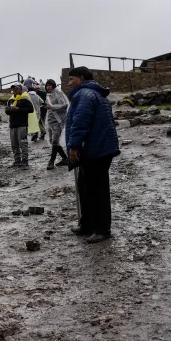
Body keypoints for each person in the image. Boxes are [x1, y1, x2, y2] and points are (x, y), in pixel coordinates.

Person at [66, 66, 120, 243]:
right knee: (85, 186)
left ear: (81, 78)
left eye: (72, 79)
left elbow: (80, 122)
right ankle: (87, 224)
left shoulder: (84, 95)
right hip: (98, 148)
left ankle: (102, 229)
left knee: (97, 190)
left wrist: (73, 147)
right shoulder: (97, 94)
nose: (69, 83)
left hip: (96, 150)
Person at [4, 84, 34, 168]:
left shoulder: (25, 99)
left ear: (21, 89)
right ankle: (17, 161)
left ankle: (25, 161)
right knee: (14, 144)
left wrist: (18, 109)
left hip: (22, 124)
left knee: (23, 143)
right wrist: (7, 111)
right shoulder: (11, 100)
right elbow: (9, 111)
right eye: (13, 88)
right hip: (12, 124)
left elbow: (31, 109)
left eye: (16, 88)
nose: (14, 90)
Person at [44, 79, 69, 170]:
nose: (48, 87)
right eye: (47, 85)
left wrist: (52, 107)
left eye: (50, 85)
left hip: (58, 121)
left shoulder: (58, 93)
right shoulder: (48, 95)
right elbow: (49, 107)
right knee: (51, 140)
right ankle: (65, 158)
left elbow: (65, 104)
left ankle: (51, 161)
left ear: (53, 86)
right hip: (50, 121)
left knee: (55, 141)